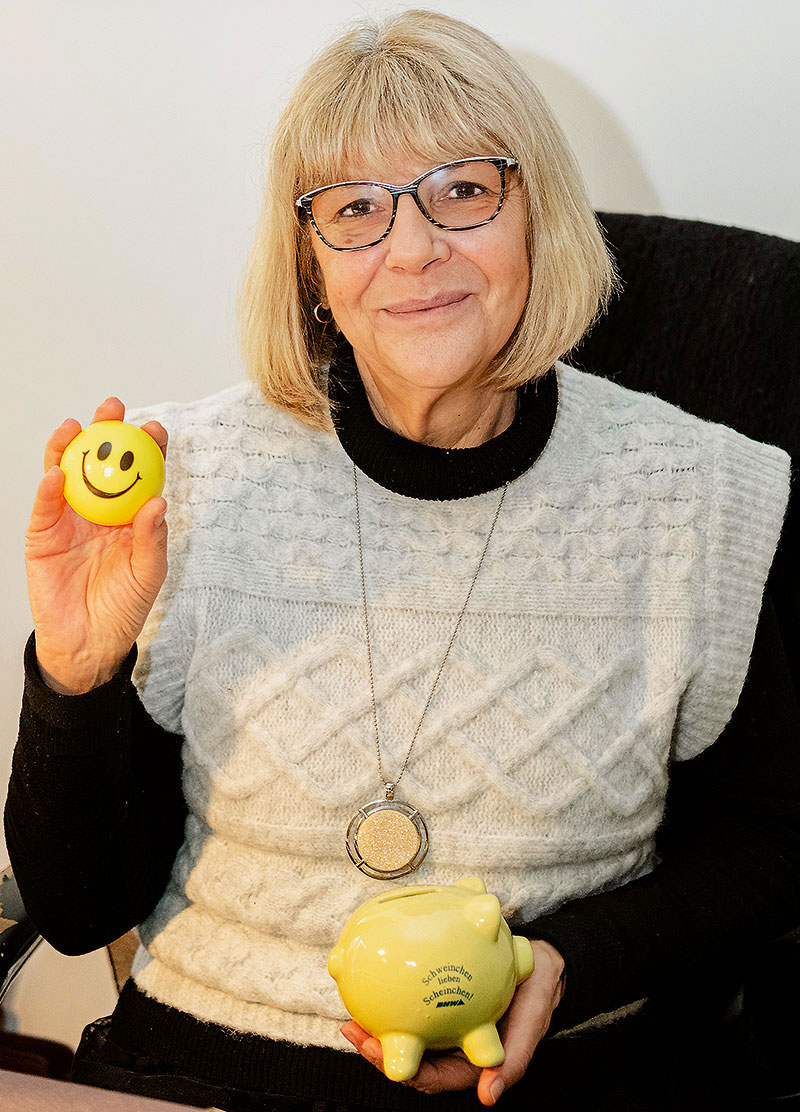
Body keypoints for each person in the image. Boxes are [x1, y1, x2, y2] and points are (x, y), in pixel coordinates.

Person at [6, 9, 799, 1111]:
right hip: (205, 1072)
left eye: (462, 190)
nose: (412, 247)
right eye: (355, 210)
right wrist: (74, 676)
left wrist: (565, 962)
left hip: (567, 1077)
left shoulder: (698, 494)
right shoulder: (182, 481)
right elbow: (78, 906)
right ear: (310, 261)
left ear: (539, 212)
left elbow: (769, 847)